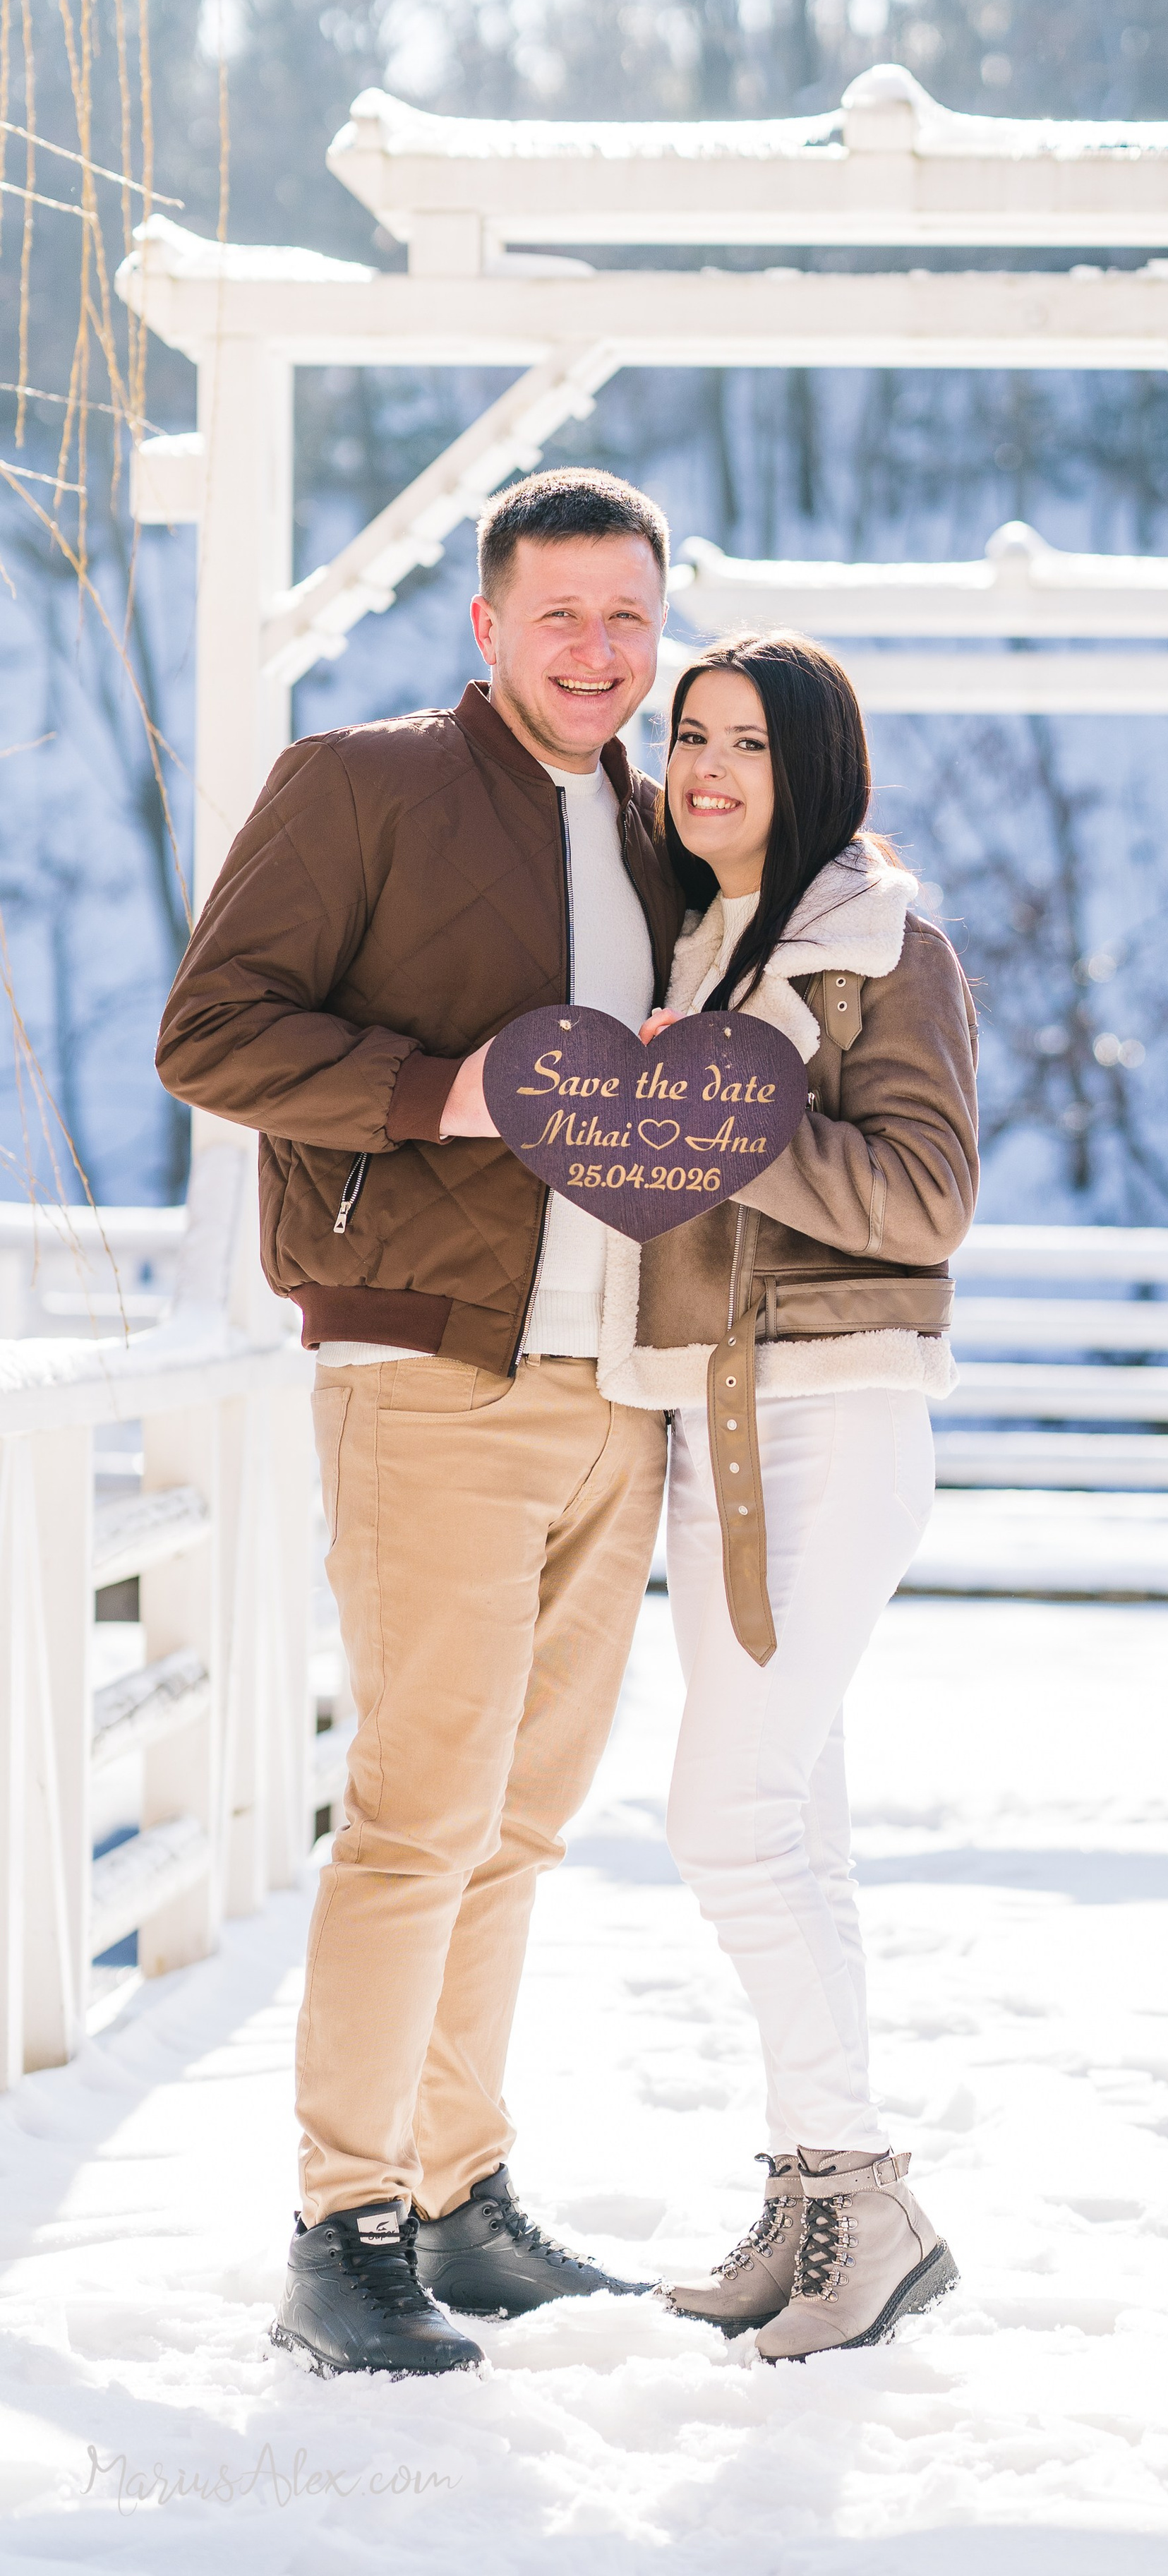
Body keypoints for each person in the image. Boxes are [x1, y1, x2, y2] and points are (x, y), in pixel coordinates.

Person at [157, 468, 684, 2376]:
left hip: (619, 1389)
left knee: (524, 1824)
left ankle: (460, 2194)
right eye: (562, 616)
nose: (598, 652)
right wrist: (436, 1092)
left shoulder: (659, 830)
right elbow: (208, 1032)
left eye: (630, 617)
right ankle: (338, 2224)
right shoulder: (357, 785)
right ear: (487, 623)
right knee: (415, 1814)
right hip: (430, 1373)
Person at [603, 632, 980, 2361]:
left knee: (725, 1814)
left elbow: (925, 1199)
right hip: (712, 1415)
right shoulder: (682, 932)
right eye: (688, 735)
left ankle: (862, 2192)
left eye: (747, 741)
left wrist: (716, 1111)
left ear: (816, 766)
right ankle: (818, 2196)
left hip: (829, 1407)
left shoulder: (878, 946)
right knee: (794, 1826)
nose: (706, 766)